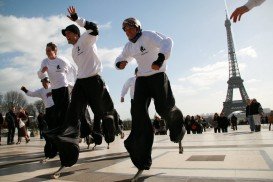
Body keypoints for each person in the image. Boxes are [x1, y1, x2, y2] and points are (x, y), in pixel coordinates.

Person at [115, 17, 185, 180]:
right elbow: (120, 57)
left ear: (138, 27)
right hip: (142, 80)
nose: (128, 32)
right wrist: (120, 64)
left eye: (131, 29)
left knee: (163, 108)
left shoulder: (148, 35)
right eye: (125, 30)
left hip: (158, 76)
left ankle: (177, 125)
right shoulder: (129, 46)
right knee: (138, 114)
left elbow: (168, 41)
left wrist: (160, 59)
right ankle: (142, 158)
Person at [49, 6, 116, 177]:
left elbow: (94, 28)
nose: (66, 37)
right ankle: (68, 151)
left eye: (69, 34)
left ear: (76, 34)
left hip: (94, 80)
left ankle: (109, 129)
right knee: (73, 114)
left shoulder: (86, 39)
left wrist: (77, 19)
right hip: (81, 82)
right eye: (65, 35)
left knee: (102, 112)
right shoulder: (73, 50)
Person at [37, 42, 76, 128]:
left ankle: (68, 128)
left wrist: (74, 83)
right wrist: (42, 71)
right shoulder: (45, 62)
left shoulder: (62, 60)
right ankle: (60, 128)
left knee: (66, 108)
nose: (47, 52)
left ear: (55, 51)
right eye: (46, 50)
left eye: (49, 50)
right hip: (54, 89)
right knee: (57, 109)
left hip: (64, 87)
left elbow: (72, 70)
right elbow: (40, 75)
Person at [21, 77, 57, 162]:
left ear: (48, 81)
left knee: (57, 129)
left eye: (45, 82)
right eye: (42, 83)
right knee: (50, 130)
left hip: (56, 109)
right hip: (48, 110)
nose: (44, 84)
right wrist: (25, 90)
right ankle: (50, 151)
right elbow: (32, 93)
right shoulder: (41, 91)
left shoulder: (54, 86)